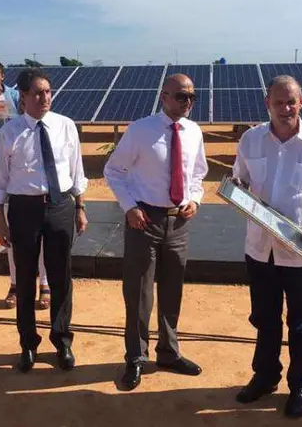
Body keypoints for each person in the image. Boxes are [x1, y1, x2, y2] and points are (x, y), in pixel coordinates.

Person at [231, 75, 302, 418]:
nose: (285, 108)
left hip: (299, 252)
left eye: (291, 101)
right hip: (259, 248)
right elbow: (241, 180)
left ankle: (300, 387)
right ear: (268, 104)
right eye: (278, 102)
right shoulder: (251, 140)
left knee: (300, 323)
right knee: (264, 319)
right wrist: (235, 188)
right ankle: (265, 377)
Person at [104, 74, 208, 391]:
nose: (187, 102)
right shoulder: (141, 130)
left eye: (191, 96)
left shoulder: (193, 132)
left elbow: (198, 173)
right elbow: (113, 171)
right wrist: (129, 207)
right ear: (163, 96)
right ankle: (136, 358)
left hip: (178, 222)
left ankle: (168, 353)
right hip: (144, 221)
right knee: (139, 293)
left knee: (172, 289)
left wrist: (195, 199)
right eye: (180, 96)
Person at [0, 68, 88, 373]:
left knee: (61, 278)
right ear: (23, 98)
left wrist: (80, 207)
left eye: (48, 91)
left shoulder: (66, 126)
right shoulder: (9, 133)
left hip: (60, 207)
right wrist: (1, 223)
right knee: (26, 279)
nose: (44, 98)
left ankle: (62, 341)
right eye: (37, 93)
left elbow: (76, 170)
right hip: (23, 210)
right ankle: (28, 344)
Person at [0, 61, 49, 311]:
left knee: (43, 239)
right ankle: (16, 284)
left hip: (22, 156)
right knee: (12, 234)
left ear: (2, 76)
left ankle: (45, 285)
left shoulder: (16, 95)